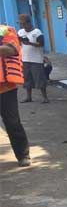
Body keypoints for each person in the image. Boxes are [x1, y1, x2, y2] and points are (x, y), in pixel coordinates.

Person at [0, 24, 30, 167]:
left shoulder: (5, 30)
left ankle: (23, 155)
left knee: (12, 123)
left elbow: (12, 49)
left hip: (5, 89)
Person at [17, 14, 48, 103]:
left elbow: (41, 44)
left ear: (28, 22)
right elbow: (19, 43)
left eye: (23, 24)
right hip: (25, 59)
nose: (22, 26)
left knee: (40, 79)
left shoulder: (37, 32)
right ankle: (28, 97)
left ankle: (45, 97)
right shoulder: (20, 32)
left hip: (36, 60)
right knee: (27, 80)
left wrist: (30, 43)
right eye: (21, 24)